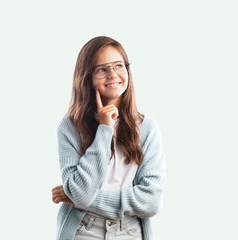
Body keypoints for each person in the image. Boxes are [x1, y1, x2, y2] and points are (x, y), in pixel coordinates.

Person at [51, 36, 166, 240]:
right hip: (84, 229)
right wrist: (105, 129)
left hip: (129, 230)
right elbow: (81, 193)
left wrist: (79, 197)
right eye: (102, 69)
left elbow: (151, 201)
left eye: (119, 66)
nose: (113, 74)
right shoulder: (69, 127)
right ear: (87, 77)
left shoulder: (148, 129)